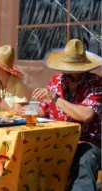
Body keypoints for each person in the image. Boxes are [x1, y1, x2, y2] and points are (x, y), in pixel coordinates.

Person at [32, 39, 101, 191]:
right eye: (65, 68)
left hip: (86, 140)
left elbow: (86, 115)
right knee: (33, 155)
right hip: (57, 138)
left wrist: (55, 98)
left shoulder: (95, 83)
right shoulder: (56, 79)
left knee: (85, 159)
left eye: (72, 69)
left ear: (83, 69)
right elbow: (44, 112)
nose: (66, 73)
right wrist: (24, 109)